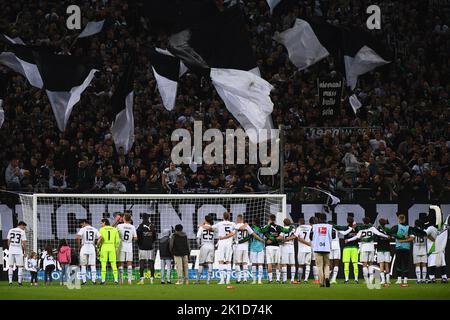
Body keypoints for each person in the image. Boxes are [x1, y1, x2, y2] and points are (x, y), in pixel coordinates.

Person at [345, 219, 390, 285]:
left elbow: (356, 237)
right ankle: (371, 280)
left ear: (363, 222)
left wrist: (348, 240)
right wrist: (386, 236)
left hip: (364, 248)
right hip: (371, 248)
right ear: (369, 222)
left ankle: (366, 280)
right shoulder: (372, 228)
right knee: (371, 264)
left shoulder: (361, 229)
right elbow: (379, 233)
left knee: (364, 264)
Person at [260, 214, 291, 283]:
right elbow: (282, 236)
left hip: (269, 247)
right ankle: (278, 279)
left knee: (269, 263)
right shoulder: (279, 227)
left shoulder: (266, 227)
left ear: (269, 219)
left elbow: (261, 232)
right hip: (277, 247)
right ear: (275, 219)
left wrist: (269, 239)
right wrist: (275, 239)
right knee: (277, 263)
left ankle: (270, 280)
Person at [233, 214, 263, 284]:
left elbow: (233, 233)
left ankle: (238, 279)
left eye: (237, 219)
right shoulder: (247, 226)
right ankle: (245, 278)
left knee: (237, 263)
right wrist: (261, 239)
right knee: (245, 263)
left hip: (238, 246)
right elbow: (254, 235)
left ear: (239, 219)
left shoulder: (235, 225)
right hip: (245, 247)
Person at [309, 214, 333, 287]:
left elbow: (310, 237)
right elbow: (334, 236)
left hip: (317, 248)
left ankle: (322, 283)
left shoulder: (314, 227)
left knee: (319, 266)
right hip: (326, 247)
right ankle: (327, 278)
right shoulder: (330, 226)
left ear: (319, 219)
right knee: (326, 265)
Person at [76, 219, 100, 285]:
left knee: (83, 265)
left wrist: (79, 245)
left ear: (84, 223)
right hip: (92, 247)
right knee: (93, 265)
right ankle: (94, 281)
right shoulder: (94, 229)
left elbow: (77, 237)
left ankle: (84, 281)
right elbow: (101, 237)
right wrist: (97, 244)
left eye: (81, 224)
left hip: (84, 247)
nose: (81, 226)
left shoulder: (83, 229)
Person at [97, 218, 120, 284]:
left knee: (103, 264)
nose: (101, 225)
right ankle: (116, 280)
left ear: (104, 222)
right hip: (112, 247)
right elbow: (117, 240)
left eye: (101, 223)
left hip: (104, 246)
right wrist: (115, 248)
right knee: (113, 264)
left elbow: (100, 239)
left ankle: (103, 280)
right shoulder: (114, 229)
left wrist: (98, 247)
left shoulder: (102, 229)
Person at [116, 213, 137, 285]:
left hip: (121, 245)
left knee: (121, 262)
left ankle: (121, 281)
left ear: (124, 218)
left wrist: (117, 220)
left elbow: (112, 229)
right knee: (129, 262)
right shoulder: (132, 227)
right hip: (129, 245)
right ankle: (129, 281)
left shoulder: (119, 226)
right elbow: (135, 238)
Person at [136, 213, 157, 284]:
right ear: (148, 218)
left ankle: (142, 279)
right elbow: (155, 237)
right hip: (150, 247)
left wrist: (139, 244)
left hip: (142, 247)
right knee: (151, 262)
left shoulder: (140, 226)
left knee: (142, 262)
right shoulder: (152, 226)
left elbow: (137, 236)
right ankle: (152, 279)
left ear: (142, 218)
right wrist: (151, 242)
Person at [196, 215, 215, 284]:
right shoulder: (213, 228)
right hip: (211, 246)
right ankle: (208, 281)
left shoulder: (201, 228)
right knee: (210, 263)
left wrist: (199, 245)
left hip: (204, 245)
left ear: (205, 220)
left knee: (201, 263)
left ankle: (197, 281)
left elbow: (198, 238)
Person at [7, 221, 27, 286]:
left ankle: (10, 282)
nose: (24, 228)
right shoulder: (22, 232)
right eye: (24, 227)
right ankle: (19, 282)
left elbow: (8, 241)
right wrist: (25, 251)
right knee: (20, 266)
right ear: (21, 225)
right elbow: (24, 243)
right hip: (18, 251)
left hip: (11, 250)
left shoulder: (11, 230)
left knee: (10, 266)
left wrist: (10, 248)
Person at [247, 217, 265, 284]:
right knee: (260, 264)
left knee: (254, 264)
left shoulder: (251, 228)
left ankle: (254, 280)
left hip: (253, 248)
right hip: (261, 247)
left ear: (254, 222)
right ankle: (259, 280)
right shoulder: (262, 229)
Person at [278, 218, 297, 284]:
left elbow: (280, 237)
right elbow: (295, 236)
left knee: (284, 264)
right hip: (291, 246)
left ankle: (284, 280)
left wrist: (282, 239)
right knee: (292, 264)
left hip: (285, 246)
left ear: (284, 223)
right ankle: (292, 279)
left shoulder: (283, 229)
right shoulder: (293, 229)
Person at [294, 218, 313, 283]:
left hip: (301, 249)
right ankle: (306, 280)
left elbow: (297, 237)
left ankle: (299, 280)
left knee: (300, 265)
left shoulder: (299, 228)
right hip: (309, 249)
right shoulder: (310, 227)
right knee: (308, 265)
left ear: (299, 222)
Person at [376, 218, 392, 286]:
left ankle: (383, 280)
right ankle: (387, 280)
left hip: (380, 249)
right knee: (387, 264)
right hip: (387, 248)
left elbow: (376, 238)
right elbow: (390, 237)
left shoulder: (377, 229)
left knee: (381, 264)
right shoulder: (388, 229)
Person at [412, 219, 428, 284]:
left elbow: (412, 238)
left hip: (416, 249)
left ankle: (418, 280)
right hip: (423, 249)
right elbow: (429, 238)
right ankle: (424, 280)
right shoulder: (425, 231)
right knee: (424, 265)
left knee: (417, 265)